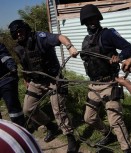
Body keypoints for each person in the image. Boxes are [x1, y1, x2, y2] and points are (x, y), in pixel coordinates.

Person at [8, 19, 79, 153]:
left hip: (53, 80)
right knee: (28, 109)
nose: (19, 35)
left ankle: (70, 137)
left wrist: (70, 47)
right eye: (15, 34)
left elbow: (60, 37)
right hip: (36, 82)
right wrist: (26, 80)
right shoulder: (19, 48)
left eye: (20, 31)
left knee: (58, 109)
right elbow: (25, 66)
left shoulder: (40, 38)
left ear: (26, 29)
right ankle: (50, 126)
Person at [79, 4, 131, 153]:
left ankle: (127, 149)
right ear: (84, 22)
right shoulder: (85, 40)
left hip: (110, 83)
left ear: (98, 18)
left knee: (115, 120)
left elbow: (129, 48)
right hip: (93, 85)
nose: (91, 21)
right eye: (88, 19)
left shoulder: (108, 34)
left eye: (93, 18)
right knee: (88, 118)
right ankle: (107, 134)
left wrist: (120, 57)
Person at [0, 42, 25, 126]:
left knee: (13, 105)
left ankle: (20, 127)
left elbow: (5, 57)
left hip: (5, 79)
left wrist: (12, 66)